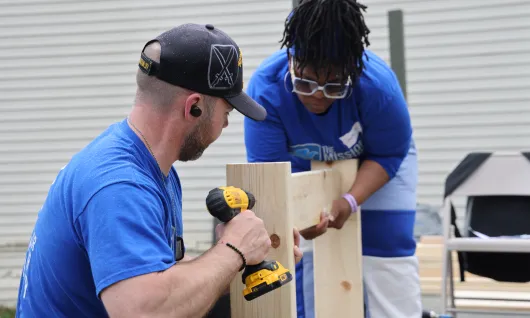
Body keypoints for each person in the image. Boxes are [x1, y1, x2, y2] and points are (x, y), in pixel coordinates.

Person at [15, 23, 302, 318]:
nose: (226, 126)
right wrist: (233, 249)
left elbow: (160, 276)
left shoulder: (148, 167)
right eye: (226, 113)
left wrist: (248, 255)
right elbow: (142, 311)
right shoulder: (119, 184)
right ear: (194, 107)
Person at [243, 1, 421, 317]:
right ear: (290, 60)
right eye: (306, 82)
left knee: (387, 244)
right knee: (301, 249)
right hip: (300, 165)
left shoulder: (378, 87)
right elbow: (269, 175)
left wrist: (351, 200)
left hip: (377, 160)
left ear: (352, 69)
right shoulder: (266, 91)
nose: (318, 96)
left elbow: (391, 152)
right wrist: (297, 221)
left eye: (334, 84)